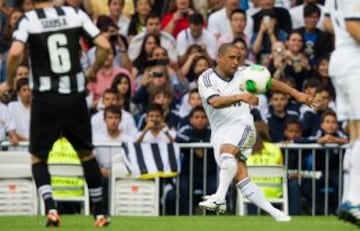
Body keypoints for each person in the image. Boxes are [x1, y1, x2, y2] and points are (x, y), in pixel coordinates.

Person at [6, 0, 111, 227]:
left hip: (45, 99)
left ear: (31, 2)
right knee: (86, 155)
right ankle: (100, 213)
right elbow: (104, 45)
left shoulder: (29, 20)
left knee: (38, 157)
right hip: (74, 97)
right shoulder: (74, 13)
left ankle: (51, 208)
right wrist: (92, 70)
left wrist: (9, 81)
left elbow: (14, 53)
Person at [197, 43, 316, 221]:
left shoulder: (244, 73)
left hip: (243, 125)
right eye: (231, 58)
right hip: (220, 132)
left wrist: (296, 94)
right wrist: (241, 96)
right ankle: (277, 214)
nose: (236, 62)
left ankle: (219, 198)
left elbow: (269, 82)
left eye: (238, 58)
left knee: (227, 153)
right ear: (219, 58)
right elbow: (215, 101)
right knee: (241, 177)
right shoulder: (206, 78)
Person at [324, 0, 360, 225]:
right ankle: (354, 201)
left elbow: (327, 22)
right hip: (354, 62)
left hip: (339, 58)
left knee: (354, 135)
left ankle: (349, 197)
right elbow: (353, 26)